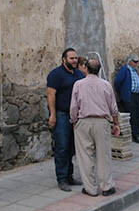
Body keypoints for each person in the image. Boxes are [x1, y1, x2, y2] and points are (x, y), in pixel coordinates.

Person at [70, 58, 120, 197]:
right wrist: (116, 124)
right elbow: (113, 108)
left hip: (83, 121)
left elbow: (73, 107)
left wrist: (74, 122)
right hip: (101, 122)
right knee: (104, 155)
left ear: (86, 68)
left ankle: (90, 188)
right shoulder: (106, 85)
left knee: (85, 156)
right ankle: (106, 187)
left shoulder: (78, 84)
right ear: (99, 70)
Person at [47, 48, 85, 191]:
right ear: (64, 59)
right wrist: (53, 115)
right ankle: (62, 179)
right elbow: (51, 95)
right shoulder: (56, 74)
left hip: (76, 117)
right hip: (62, 115)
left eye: (76, 58)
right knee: (62, 147)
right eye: (71, 58)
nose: (74, 61)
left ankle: (69, 176)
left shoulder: (79, 74)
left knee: (71, 147)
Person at [114, 54, 139, 144]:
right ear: (130, 61)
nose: (136, 63)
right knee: (133, 116)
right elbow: (117, 82)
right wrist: (123, 91)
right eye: (135, 61)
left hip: (136, 95)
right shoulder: (125, 70)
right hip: (129, 95)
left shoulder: (134, 70)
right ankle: (135, 135)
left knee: (138, 115)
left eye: (137, 61)